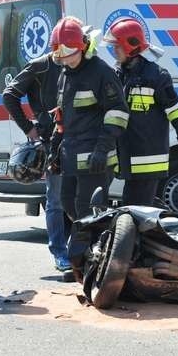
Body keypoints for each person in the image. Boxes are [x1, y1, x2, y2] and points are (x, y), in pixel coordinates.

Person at [48, 17, 129, 278]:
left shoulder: (101, 72)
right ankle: (95, 254)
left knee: (86, 212)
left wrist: (102, 149)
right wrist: (55, 148)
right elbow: (63, 116)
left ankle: (84, 267)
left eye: (67, 52)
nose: (63, 58)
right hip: (71, 155)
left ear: (81, 47)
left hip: (96, 158)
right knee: (67, 204)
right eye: (58, 52)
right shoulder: (65, 74)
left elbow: (118, 112)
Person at [102, 18, 178, 206]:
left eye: (117, 46)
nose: (114, 51)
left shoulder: (157, 76)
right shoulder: (118, 74)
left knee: (135, 211)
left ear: (131, 46)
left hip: (148, 158)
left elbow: (175, 110)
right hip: (127, 155)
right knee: (134, 210)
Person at [2, 51, 74, 280]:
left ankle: (81, 251)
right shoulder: (41, 65)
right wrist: (28, 128)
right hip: (52, 141)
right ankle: (60, 254)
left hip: (79, 138)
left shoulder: (78, 61)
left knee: (81, 197)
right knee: (55, 200)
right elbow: (9, 95)